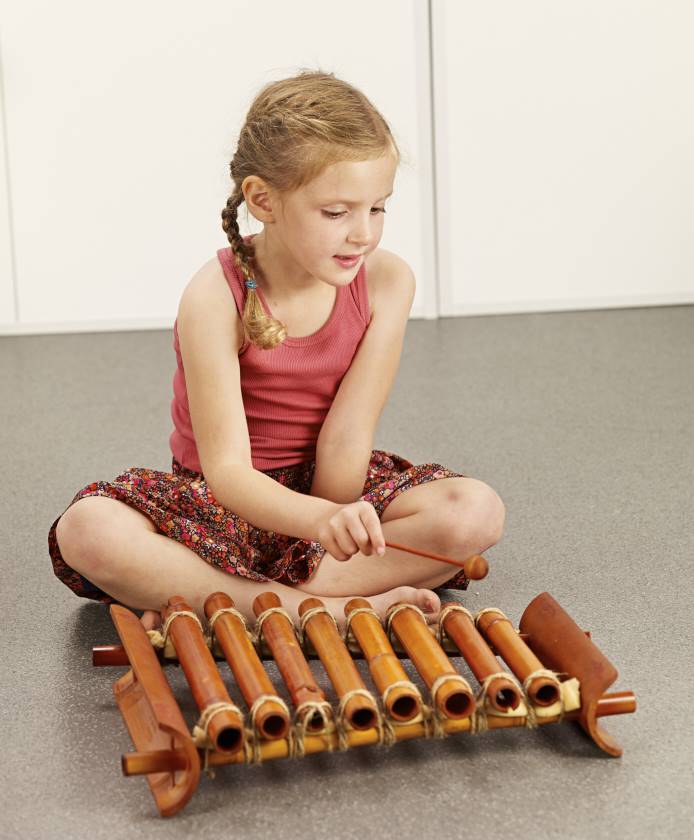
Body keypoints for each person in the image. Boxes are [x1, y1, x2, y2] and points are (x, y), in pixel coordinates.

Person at [48, 69, 505, 637]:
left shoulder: (388, 282)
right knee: (87, 529)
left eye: (378, 209)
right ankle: (326, 608)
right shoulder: (214, 298)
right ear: (263, 200)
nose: (363, 234)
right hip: (223, 505)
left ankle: (242, 600)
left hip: (329, 492)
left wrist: (333, 521)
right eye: (336, 212)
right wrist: (321, 522)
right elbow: (228, 472)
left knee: (476, 510)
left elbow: (347, 435)